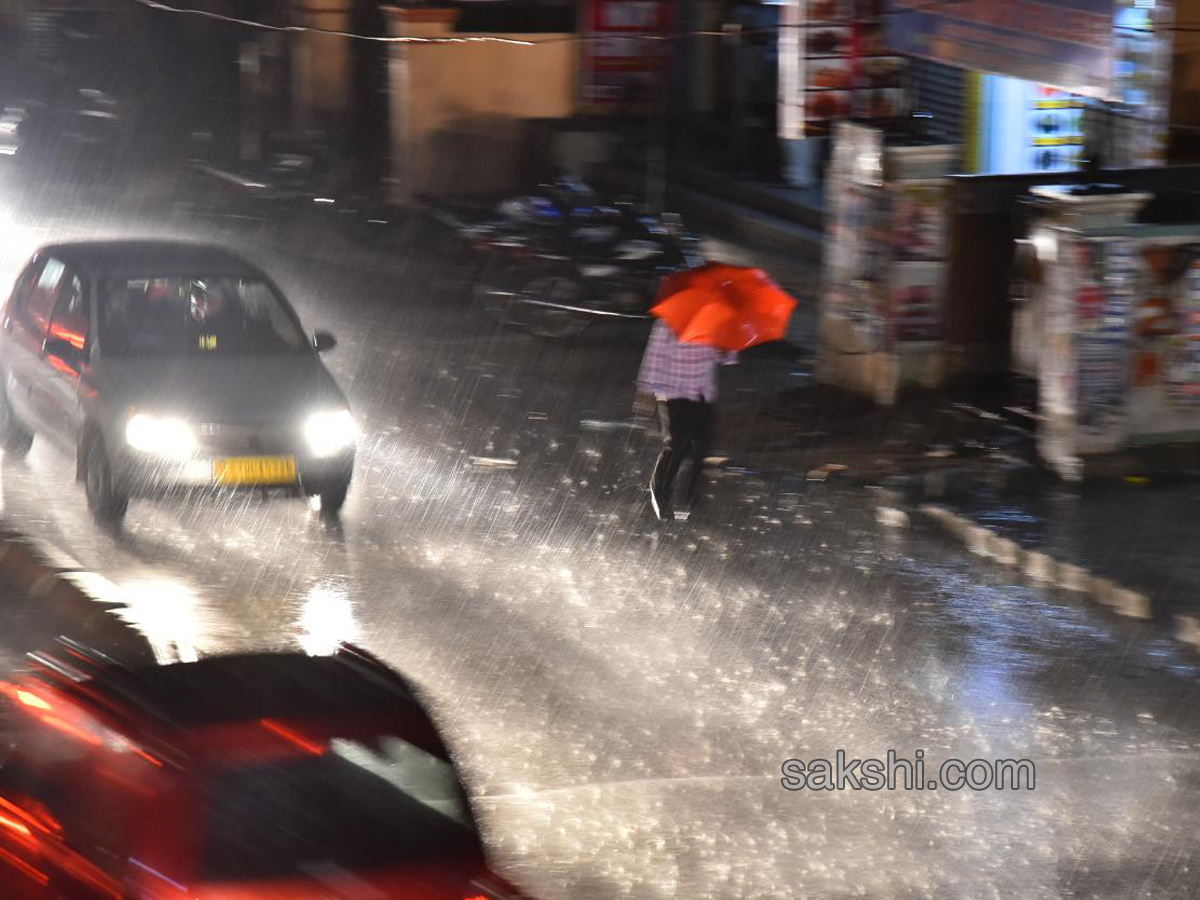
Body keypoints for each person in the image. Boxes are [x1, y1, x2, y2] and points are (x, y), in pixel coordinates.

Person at [635, 318, 737, 521]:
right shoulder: (668, 323)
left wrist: (724, 350)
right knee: (677, 446)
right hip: (674, 394)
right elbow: (654, 358)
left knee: (703, 447)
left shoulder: (716, 320)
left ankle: (694, 501)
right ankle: (661, 492)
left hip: (703, 393)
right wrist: (646, 392)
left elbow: (726, 356)